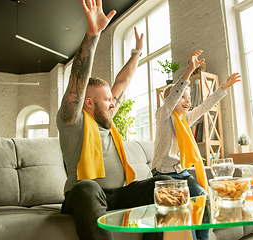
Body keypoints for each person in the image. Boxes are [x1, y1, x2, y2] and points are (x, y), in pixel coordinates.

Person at [57, 0, 172, 239]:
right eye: (107, 99)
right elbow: (76, 85)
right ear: (88, 103)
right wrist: (92, 35)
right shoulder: (73, 122)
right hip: (84, 197)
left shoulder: (106, 117)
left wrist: (137, 52)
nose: (114, 103)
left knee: (163, 183)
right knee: (87, 187)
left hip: (120, 194)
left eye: (112, 99)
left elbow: (123, 82)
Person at [151, 50, 241, 240]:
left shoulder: (186, 119)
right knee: (185, 205)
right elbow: (173, 96)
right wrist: (188, 71)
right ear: (171, 100)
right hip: (163, 174)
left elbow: (205, 106)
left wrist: (224, 87)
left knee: (203, 198)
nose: (187, 100)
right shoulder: (163, 116)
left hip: (181, 172)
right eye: (182, 97)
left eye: (189, 97)